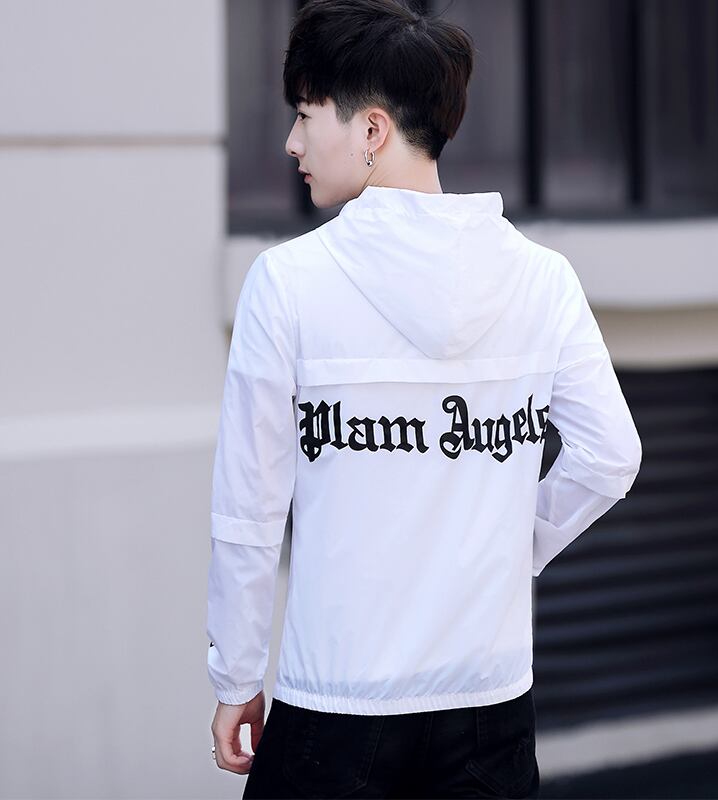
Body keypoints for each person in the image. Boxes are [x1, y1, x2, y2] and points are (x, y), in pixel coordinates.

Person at [206, 0, 643, 797]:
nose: (293, 142)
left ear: (371, 130)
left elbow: (250, 510)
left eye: (306, 115)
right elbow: (611, 456)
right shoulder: (541, 279)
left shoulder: (288, 283)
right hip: (489, 708)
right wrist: (512, 548)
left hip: (334, 704)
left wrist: (236, 674)